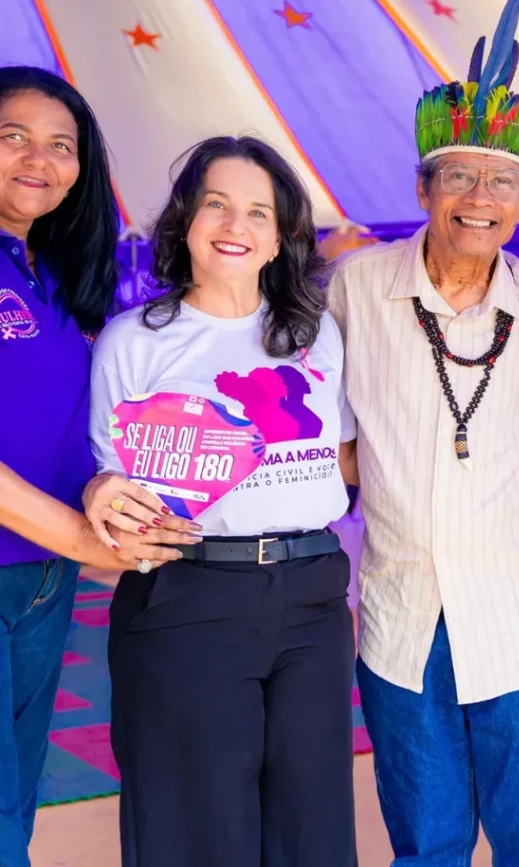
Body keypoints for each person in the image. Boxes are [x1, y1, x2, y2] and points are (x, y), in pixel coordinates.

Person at [328, 0, 519, 866]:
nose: (481, 199)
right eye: (460, 177)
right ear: (423, 189)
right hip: (402, 624)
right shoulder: (357, 288)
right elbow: (320, 430)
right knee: (426, 846)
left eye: (503, 183)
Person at [84, 136, 359, 867]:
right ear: (185, 221)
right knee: (195, 830)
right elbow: (109, 484)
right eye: (217, 205)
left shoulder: (315, 334)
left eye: (258, 212)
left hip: (312, 598)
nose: (236, 225)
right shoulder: (134, 343)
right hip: (188, 597)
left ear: (280, 236)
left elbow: (342, 458)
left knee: (314, 831)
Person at [0, 66, 187, 867]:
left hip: (42, 582)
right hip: (45, 555)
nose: (38, 159)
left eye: (61, 145)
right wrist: (83, 538)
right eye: (13, 136)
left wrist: (107, 491)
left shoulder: (50, 273)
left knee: (15, 802)